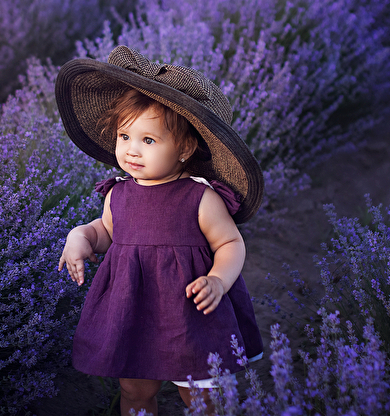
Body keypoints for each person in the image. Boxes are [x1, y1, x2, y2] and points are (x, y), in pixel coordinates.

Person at [55, 45, 264, 414]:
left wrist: (218, 280)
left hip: (192, 314)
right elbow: (107, 233)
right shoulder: (118, 193)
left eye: (148, 140)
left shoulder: (199, 197)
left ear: (184, 148)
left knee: (202, 396)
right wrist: (81, 237)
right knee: (135, 391)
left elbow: (230, 242)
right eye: (124, 136)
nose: (132, 150)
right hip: (134, 310)